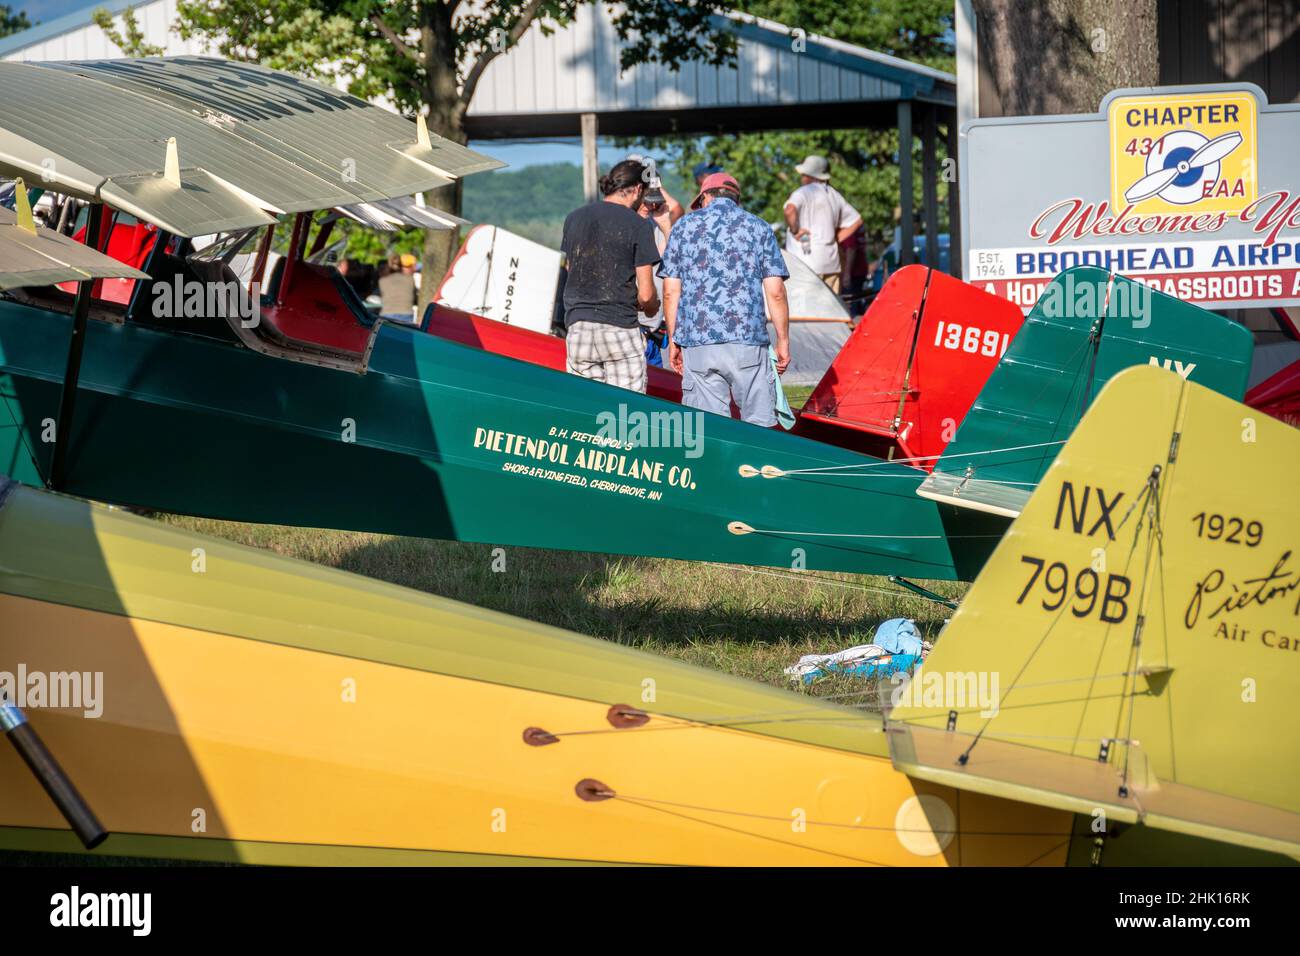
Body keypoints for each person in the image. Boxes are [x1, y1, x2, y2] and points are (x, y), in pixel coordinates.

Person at [658, 172, 791, 427]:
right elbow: (775, 291)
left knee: (708, 429)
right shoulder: (759, 227)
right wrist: (783, 341)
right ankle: (753, 467)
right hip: (748, 341)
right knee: (759, 427)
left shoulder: (683, 229)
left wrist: (674, 339)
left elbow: (670, 291)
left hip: (698, 343)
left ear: (705, 197)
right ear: (736, 199)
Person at [559, 159, 661, 392]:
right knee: (624, 412)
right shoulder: (638, 225)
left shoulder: (573, 218)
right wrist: (652, 307)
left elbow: (570, 271)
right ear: (637, 189)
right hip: (619, 327)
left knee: (585, 407)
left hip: (578, 328)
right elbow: (646, 295)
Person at [783, 155, 863, 294]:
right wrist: (835, 239)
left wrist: (795, 230)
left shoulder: (802, 192)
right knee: (831, 311)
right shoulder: (834, 195)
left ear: (809, 176)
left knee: (806, 312)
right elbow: (857, 220)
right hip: (831, 264)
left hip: (805, 266)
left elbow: (790, 210)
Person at [378, 253, 417, 322]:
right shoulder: (410, 279)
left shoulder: (382, 280)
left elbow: (382, 297)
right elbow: (413, 297)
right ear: (401, 265)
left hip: (387, 314)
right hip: (406, 314)